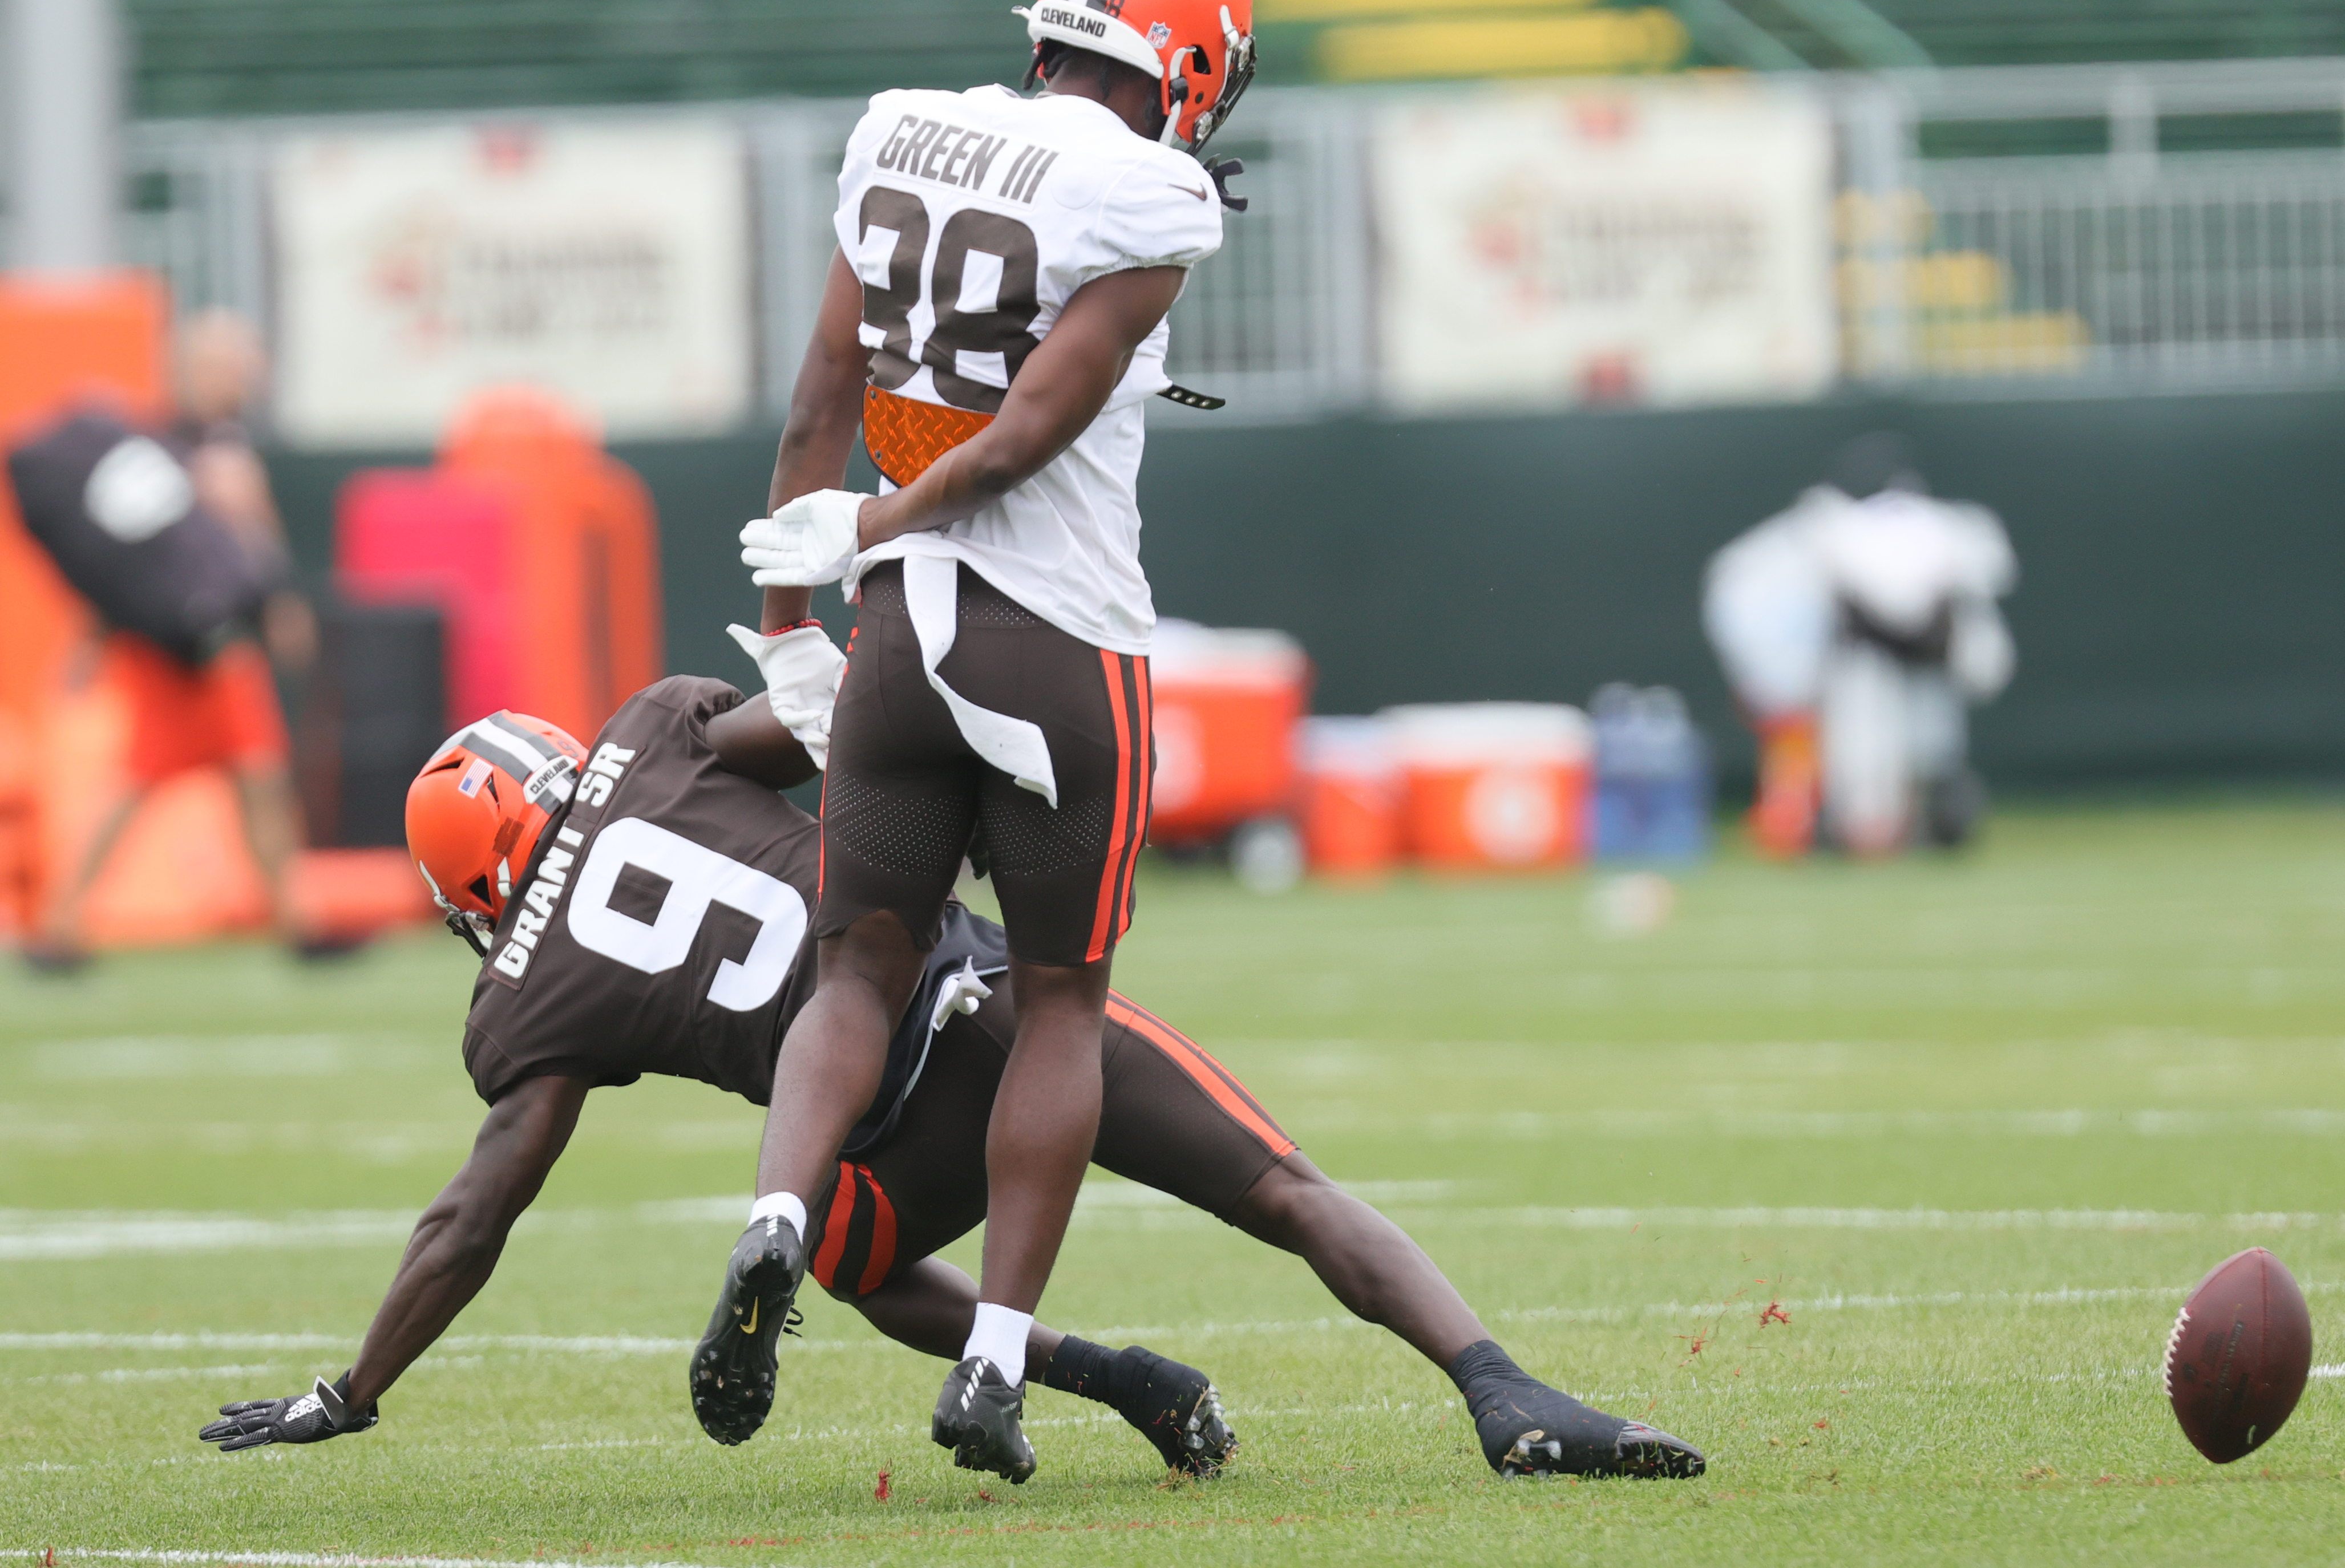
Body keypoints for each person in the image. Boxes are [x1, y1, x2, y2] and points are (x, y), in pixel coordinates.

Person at [192, 667, 1704, 1484]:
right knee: (1282, 1187)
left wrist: (352, 1388)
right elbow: (834, 718)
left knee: (845, 1245)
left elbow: (472, 1216)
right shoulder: (654, 736)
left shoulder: (520, 1007)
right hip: (980, 1011)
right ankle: (1497, 1388)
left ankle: (1103, 1371)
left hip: (867, 1135)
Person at [727, 0, 1258, 1480]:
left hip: (893, 635)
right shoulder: (1151, 190)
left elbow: (828, 387)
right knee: (1060, 1004)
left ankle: (771, 1211)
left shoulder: (901, 129)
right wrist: (879, 515)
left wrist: (789, 612)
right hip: (1055, 639)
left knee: (850, 973)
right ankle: (996, 1358)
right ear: (1182, 62)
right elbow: (1021, 431)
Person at [28, 309, 317, 966]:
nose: (243, 373)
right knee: (140, 782)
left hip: (220, 643)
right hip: (178, 650)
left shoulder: (211, 443)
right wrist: (92, 640)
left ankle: (296, 923)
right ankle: (60, 919)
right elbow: (122, 558)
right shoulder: (170, 448)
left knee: (259, 777)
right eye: (228, 360)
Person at [1704, 435, 2016, 856]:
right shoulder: (1826, 531)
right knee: (1864, 765)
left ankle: (1930, 819)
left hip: (1926, 662)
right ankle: (1861, 830)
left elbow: (1983, 577)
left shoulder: (1934, 528)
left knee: (1932, 753)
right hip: (1863, 664)